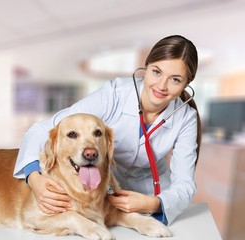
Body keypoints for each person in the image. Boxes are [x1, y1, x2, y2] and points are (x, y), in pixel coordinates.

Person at [13, 35, 202, 225]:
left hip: (152, 192)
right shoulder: (115, 93)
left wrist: (154, 204)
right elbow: (43, 129)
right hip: (105, 187)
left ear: (186, 84)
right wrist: (34, 178)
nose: (161, 86)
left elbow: (185, 183)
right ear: (146, 66)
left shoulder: (186, 118)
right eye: (156, 72)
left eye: (175, 80)